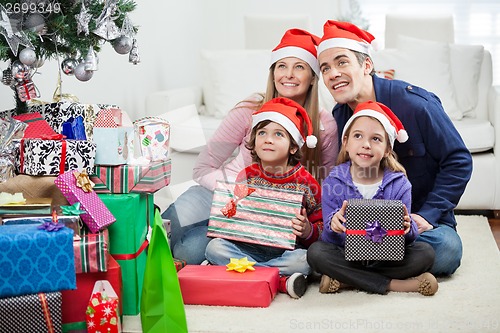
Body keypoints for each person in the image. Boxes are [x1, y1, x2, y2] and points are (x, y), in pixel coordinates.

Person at [162, 28, 338, 264]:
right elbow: (203, 168)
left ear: (313, 76)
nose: (289, 75)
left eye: (299, 67)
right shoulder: (249, 109)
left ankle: (234, 254)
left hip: (268, 215)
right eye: (281, 66)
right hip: (222, 192)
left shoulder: (324, 123)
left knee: (189, 252)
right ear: (273, 73)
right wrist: (242, 193)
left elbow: (327, 181)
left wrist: (300, 218)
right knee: (166, 227)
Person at [315, 20, 473, 276]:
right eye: (325, 68)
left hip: (418, 222)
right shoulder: (341, 116)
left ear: (366, 65)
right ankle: (386, 273)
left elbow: (459, 160)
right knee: (319, 248)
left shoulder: (416, 104)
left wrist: (427, 215)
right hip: (365, 227)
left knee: (446, 250)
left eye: (342, 62)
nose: (332, 73)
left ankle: (352, 273)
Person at [307, 100, 438, 296]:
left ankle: (347, 280)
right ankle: (395, 285)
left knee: (425, 253)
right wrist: (333, 224)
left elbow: (408, 239)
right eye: (358, 136)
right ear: (346, 143)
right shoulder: (333, 182)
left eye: (376, 139)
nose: (366, 145)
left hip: (387, 258)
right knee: (316, 253)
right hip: (347, 254)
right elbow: (328, 238)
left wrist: (408, 227)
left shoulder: (400, 184)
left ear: (387, 149)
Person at [205, 97, 323, 299]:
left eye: (278, 134)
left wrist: (307, 230)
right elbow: (232, 213)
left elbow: (320, 225)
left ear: (293, 147)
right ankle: (279, 280)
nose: (268, 139)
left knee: (305, 260)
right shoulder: (247, 175)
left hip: (285, 252)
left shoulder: (306, 182)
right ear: (254, 141)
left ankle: (243, 272)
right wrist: (228, 211)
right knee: (214, 248)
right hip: (246, 247)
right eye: (262, 133)